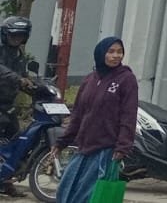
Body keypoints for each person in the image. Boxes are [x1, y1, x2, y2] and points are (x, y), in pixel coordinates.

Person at [52, 38, 138, 203]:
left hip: (106, 151)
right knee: (65, 192)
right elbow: (77, 115)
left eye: (119, 52)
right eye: (111, 52)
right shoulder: (89, 79)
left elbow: (129, 115)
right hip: (83, 149)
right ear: (100, 53)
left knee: (87, 197)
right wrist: (62, 142)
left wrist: (123, 146)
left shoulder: (126, 79)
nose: (116, 56)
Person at [0, 16, 35, 196]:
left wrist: (37, 86)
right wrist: (18, 79)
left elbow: (23, 76)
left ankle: (6, 182)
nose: (16, 38)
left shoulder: (19, 56)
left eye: (20, 35)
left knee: (16, 139)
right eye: (13, 35)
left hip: (7, 104)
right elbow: (4, 72)